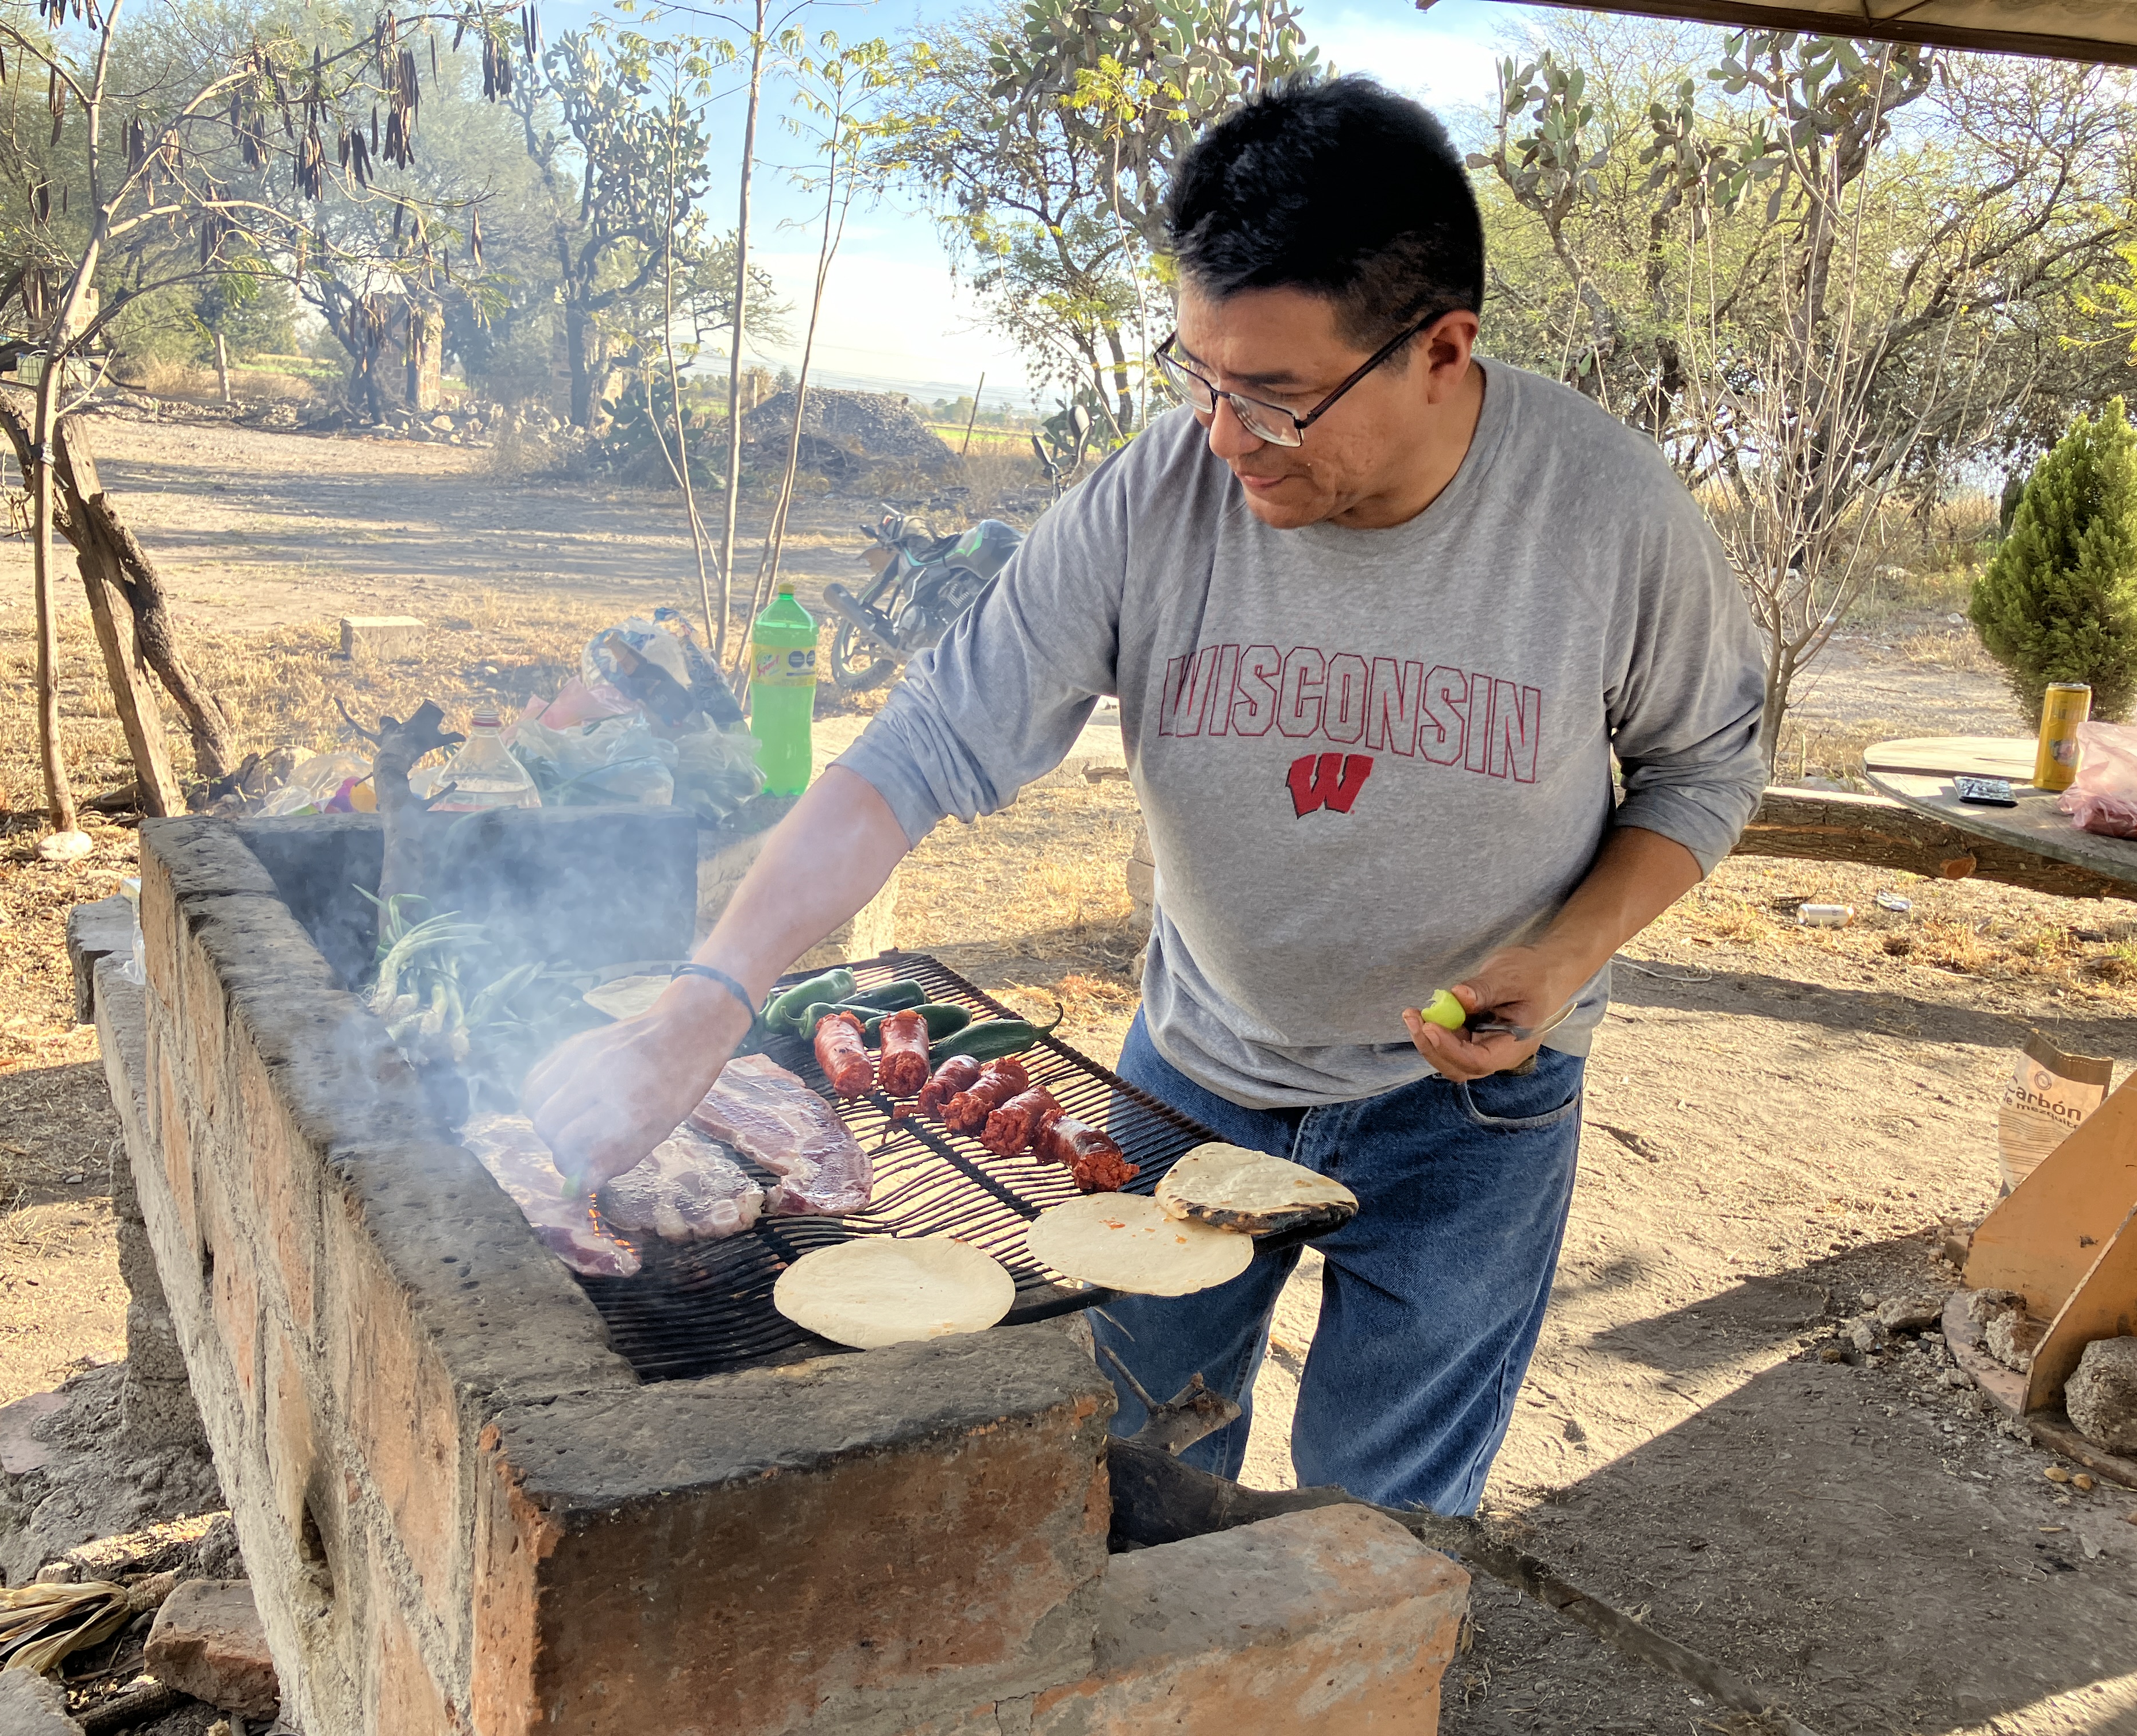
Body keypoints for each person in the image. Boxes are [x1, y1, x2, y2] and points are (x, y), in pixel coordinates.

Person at [525, 76, 1767, 1517]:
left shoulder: (1606, 512)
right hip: (1190, 1078)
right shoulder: (1157, 495)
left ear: (1443, 349)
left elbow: (1706, 766)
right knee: (1121, 1471)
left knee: (1381, 1524)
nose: (1227, 437)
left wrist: (1564, 957)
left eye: (1280, 396)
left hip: (1469, 1124)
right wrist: (703, 1006)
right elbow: (916, 751)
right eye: (1200, 375)